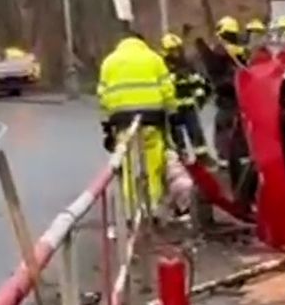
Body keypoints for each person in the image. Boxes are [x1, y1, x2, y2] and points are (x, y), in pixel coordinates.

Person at [97, 29, 176, 217]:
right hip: (152, 120)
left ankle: (132, 211)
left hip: (123, 121)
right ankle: (153, 207)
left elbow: (103, 95)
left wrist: (108, 123)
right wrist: (172, 113)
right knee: (153, 164)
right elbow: (167, 90)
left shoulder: (109, 62)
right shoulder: (154, 59)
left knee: (128, 165)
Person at [201, 16, 250, 191]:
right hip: (243, 102)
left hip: (228, 103)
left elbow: (217, 75)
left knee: (226, 136)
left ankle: (227, 173)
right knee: (241, 139)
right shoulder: (242, 52)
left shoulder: (223, 52)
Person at [159, 32, 211, 161]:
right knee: (176, 138)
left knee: (196, 134)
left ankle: (203, 159)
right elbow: (162, 85)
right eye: (172, 50)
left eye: (178, 49)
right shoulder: (161, 66)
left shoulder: (187, 65)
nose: (176, 53)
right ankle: (181, 162)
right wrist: (176, 77)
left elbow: (198, 81)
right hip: (172, 109)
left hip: (189, 106)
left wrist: (202, 95)